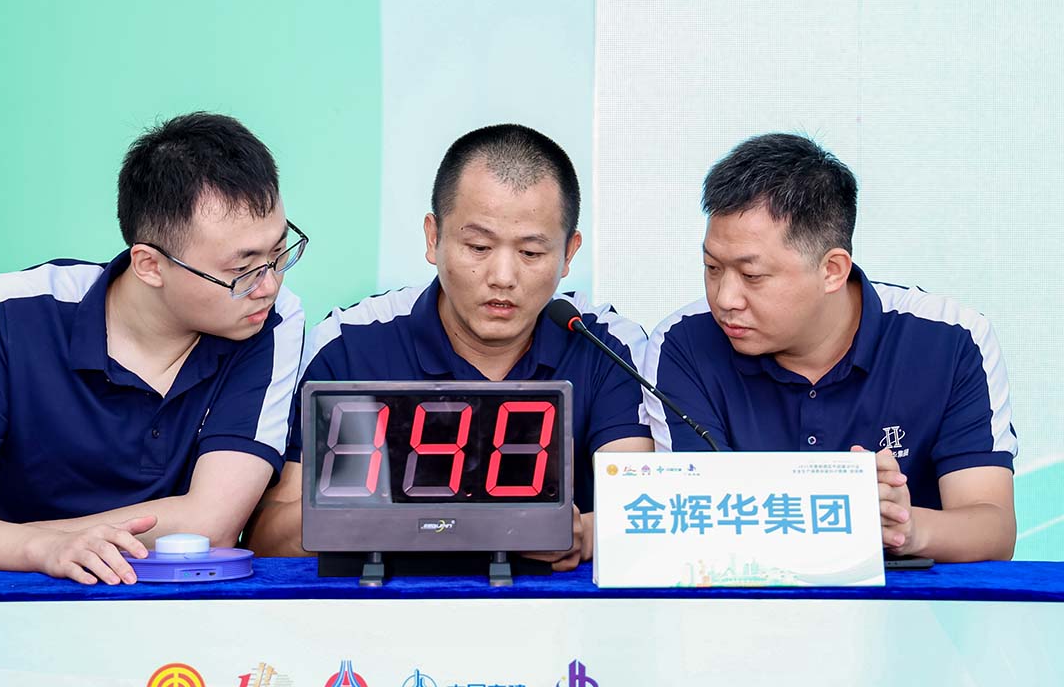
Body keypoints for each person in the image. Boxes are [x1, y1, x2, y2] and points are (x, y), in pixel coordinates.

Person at [0, 112, 307, 584]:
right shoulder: (14, 312)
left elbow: (211, 525)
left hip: (179, 610)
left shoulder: (270, 322)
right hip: (11, 605)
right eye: (243, 269)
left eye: (278, 252)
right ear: (149, 265)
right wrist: (40, 549)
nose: (269, 285)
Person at [248, 124, 654, 568]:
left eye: (531, 253)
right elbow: (268, 539)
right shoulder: (351, 344)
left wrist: (584, 534)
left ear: (569, 253)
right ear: (433, 238)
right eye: (478, 246)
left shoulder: (606, 345)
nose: (502, 276)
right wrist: (399, 512)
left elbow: (638, 509)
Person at [644, 133, 1017, 562]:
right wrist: (836, 505)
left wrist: (906, 527)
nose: (725, 298)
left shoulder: (950, 340)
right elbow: (693, 520)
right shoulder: (683, 343)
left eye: (752, 276)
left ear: (832, 270)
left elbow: (993, 529)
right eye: (712, 267)